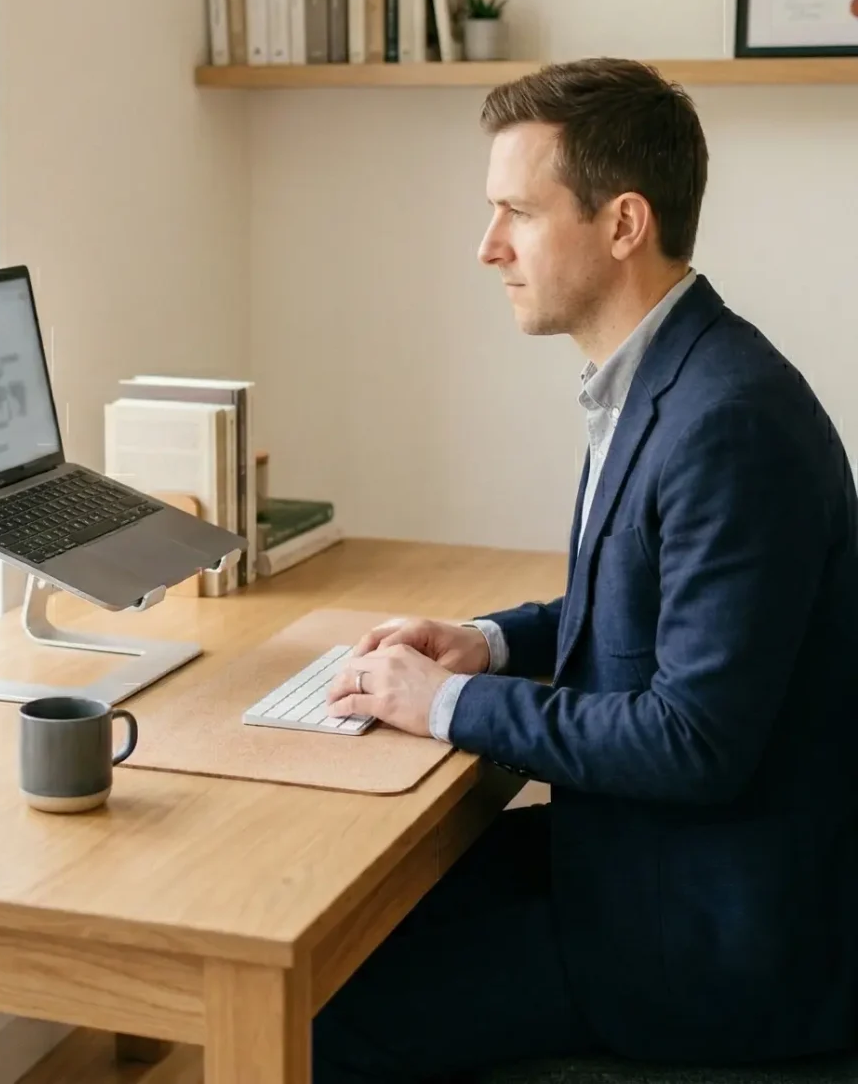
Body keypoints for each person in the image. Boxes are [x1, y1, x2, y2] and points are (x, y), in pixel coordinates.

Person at [311, 58, 858, 1080]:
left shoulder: (727, 420)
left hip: (710, 935)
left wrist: (446, 702)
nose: (486, 248)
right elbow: (657, 601)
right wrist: (489, 639)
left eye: (516, 211)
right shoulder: (670, 377)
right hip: (650, 863)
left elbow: (690, 739)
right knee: (341, 927)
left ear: (621, 225)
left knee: (326, 1011)